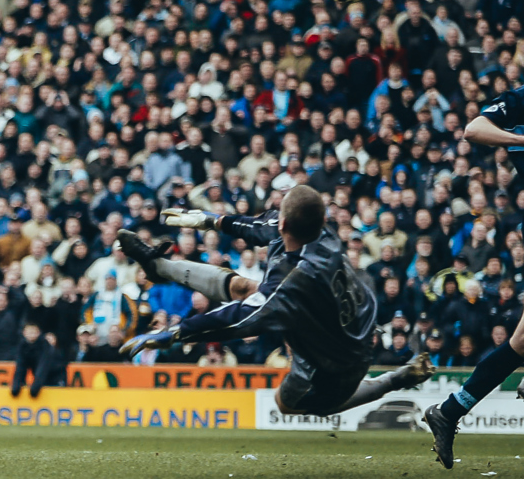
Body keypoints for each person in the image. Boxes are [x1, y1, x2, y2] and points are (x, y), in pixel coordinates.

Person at [117, 186, 434, 419]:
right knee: (242, 287)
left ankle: (396, 379)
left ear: (284, 224)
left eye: (279, 214)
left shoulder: (290, 283)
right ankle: (159, 267)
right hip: (344, 316)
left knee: (290, 404)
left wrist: (176, 333)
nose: (274, 219)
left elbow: (239, 320)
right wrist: (210, 220)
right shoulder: (322, 232)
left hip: (339, 358)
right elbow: (259, 227)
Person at [423, 84, 524, 469]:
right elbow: (473, 129)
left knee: (520, 343)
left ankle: (448, 412)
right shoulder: (518, 101)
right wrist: (520, 137)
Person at [10, 323, 67, 397]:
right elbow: (20, 367)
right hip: (42, 377)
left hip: (56, 376)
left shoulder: (44, 345)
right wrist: (16, 386)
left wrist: (35, 388)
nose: (31, 335)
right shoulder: (22, 346)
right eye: (29, 332)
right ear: (24, 333)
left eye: (33, 332)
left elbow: (43, 367)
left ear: (39, 333)